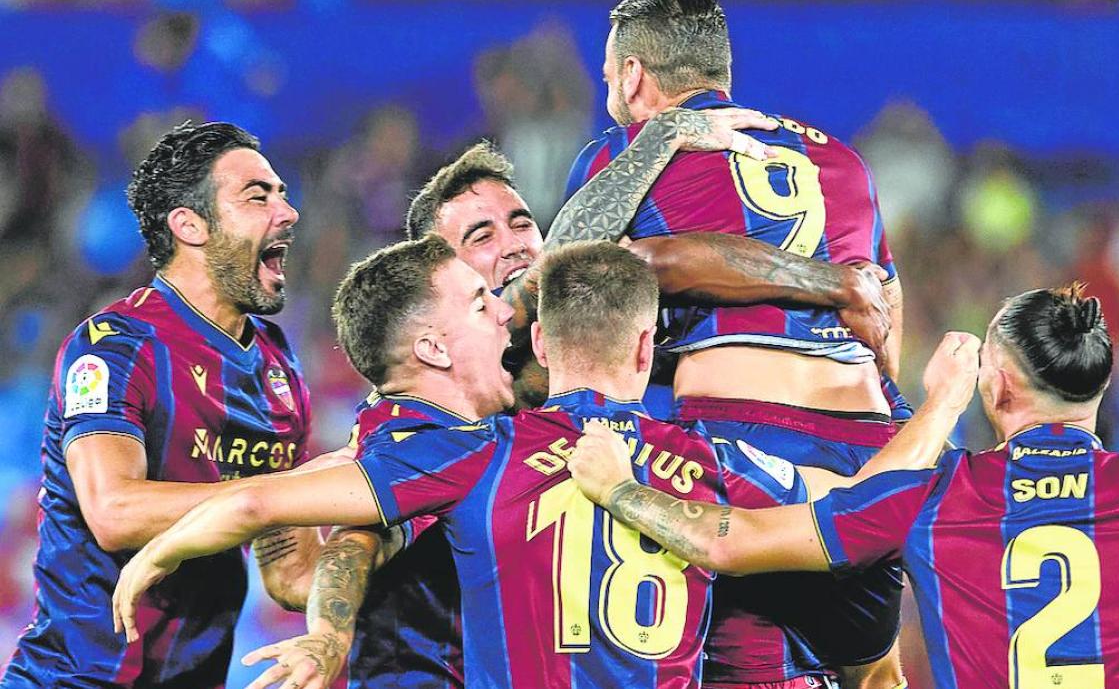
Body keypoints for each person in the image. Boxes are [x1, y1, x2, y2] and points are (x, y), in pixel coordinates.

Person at [113, 240, 944, 689]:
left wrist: (159, 552)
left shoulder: (473, 454)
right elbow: (861, 509)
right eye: (481, 298)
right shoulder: (712, 458)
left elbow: (265, 505)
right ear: (648, 346)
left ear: (542, 343)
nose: (501, 310)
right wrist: (934, 399)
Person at [247, 127, 894, 686]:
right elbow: (347, 544)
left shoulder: (618, 388)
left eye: (523, 223)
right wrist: (325, 623)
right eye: (482, 236)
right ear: (442, 287)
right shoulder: (432, 419)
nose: (520, 247)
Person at [568, 284, 1119, 688]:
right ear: (1098, 382)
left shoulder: (935, 496)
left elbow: (729, 542)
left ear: (997, 383)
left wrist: (619, 488)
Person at [564, 0, 908, 688]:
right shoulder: (843, 161)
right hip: (869, 434)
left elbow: (566, 274)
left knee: (742, 663)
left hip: (745, 432)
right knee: (865, 669)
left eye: (608, 76)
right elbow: (885, 317)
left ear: (633, 75)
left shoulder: (626, 153)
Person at [1, 122, 327, 688]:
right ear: (190, 225)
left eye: (282, 192)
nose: (289, 211)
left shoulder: (279, 365)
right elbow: (113, 512)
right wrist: (266, 498)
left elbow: (291, 569)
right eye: (258, 196)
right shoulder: (115, 347)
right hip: (79, 679)